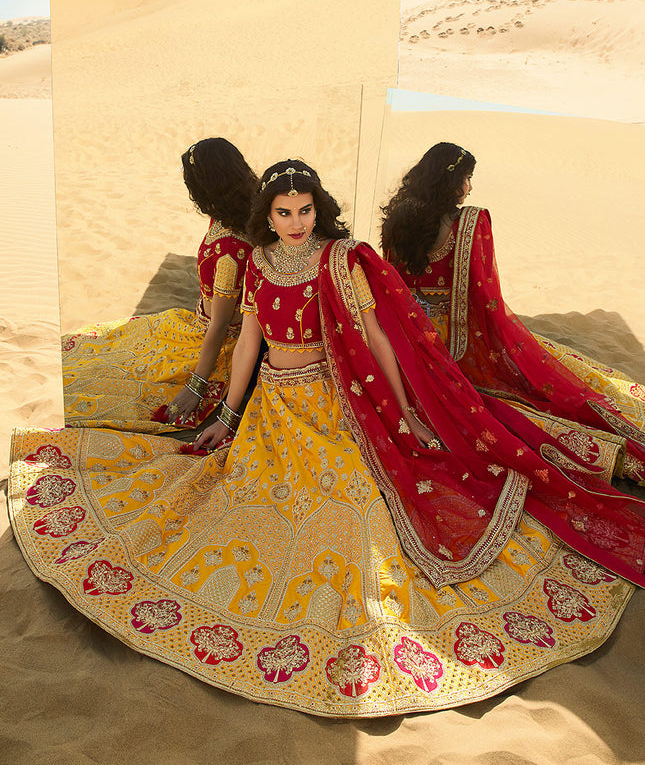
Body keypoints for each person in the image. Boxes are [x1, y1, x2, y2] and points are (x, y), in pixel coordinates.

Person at [9, 161, 645, 717]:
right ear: (268, 213)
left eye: (305, 210)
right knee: (234, 503)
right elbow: (250, 344)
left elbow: (377, 341)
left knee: (360, 515)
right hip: (271, 413)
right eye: (283, 211)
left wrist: (402, 411)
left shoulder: (340, 261)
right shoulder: (256, 262)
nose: (295, 222)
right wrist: (228, 416)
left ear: (320, 209)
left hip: (332, 401)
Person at [381, 141, 645, 485]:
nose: (470, 187)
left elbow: (391, 285)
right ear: (451, 182)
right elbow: (486, 299)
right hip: (455, 348)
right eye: (467, 177)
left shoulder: (397, 223)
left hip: (409, 342)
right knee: (529, 379)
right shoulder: (472, 222)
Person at [62, 137, 257, 433]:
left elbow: (219, 324)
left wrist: (197, 386)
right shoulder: (239, 211)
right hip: (196, 323)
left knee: (117, 379)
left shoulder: (230, 248)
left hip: (216, 342)